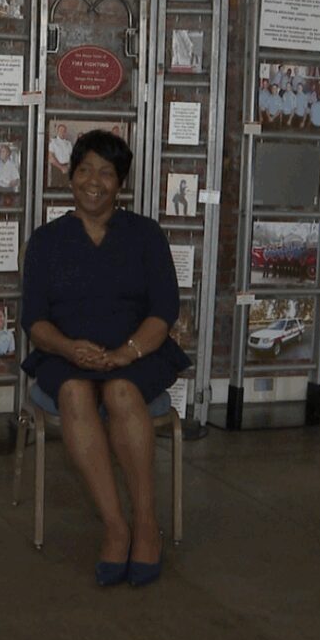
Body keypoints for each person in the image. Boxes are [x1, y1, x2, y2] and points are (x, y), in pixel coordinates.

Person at [20, 130, 191, 588]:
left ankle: (147, 524)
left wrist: (126, 352)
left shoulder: (145, 235)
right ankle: (116, 526)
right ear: (70, 177)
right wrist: (68, 347)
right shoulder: (46, 241)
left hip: (138, 352)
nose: (93, 181)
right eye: (84, 170)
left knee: (120, 390)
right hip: (65, 353)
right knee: (75, 392)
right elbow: (33, 320)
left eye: (106, 173)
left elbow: (163, 311)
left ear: (120, 184)